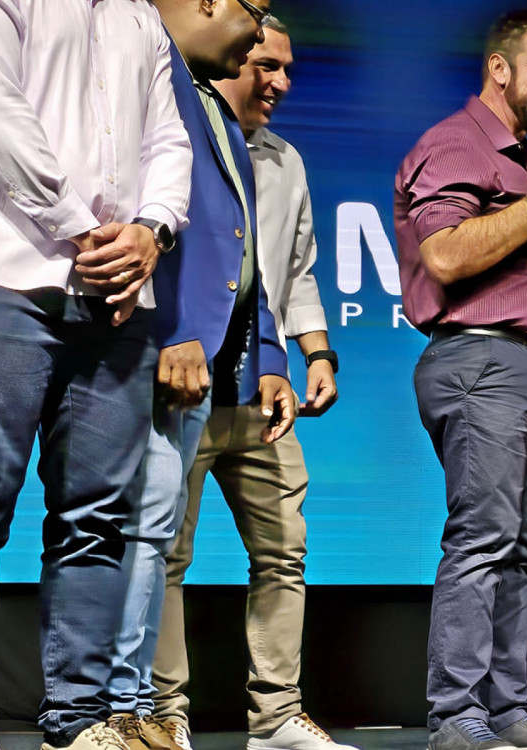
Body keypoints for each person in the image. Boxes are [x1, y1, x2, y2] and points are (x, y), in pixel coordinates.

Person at [0, 1, 192, 749]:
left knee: (96, 521)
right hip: (5, 274)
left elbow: (169, 136)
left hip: (117, 294)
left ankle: (79, 720)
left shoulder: (142, 16)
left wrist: (152, 227)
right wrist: (79, 222)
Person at [149, 20, 352, 750]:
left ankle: (276, 717)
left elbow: (292, 272)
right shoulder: (169, 134)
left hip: (261, 385)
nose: (281, 81)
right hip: (182, 381)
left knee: (285, 550)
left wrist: (315, 353)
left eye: (288, 69)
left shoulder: (285, 160)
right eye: (266, 63)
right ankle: (163, 713)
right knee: (164, 553)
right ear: (232, 56)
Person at [394, 10, 527, 750]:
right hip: (478, 363)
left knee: (517, 549)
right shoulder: (456, 142)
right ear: (500, 69)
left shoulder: (518, 163)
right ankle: (457, 717)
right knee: (482, 541)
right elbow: (444, 256)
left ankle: (505, 709)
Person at [104, 2, 295, 750]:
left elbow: (241, 255)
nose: (258, 42)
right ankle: (121, 709)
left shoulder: (211, 104)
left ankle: (137, 712)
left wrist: (270, 355)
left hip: (220, 361)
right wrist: (173, 327)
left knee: (151, 535)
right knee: (132, 533)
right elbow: (147, 217)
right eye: (253, 17)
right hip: (162, 348)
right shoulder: (151, 79)